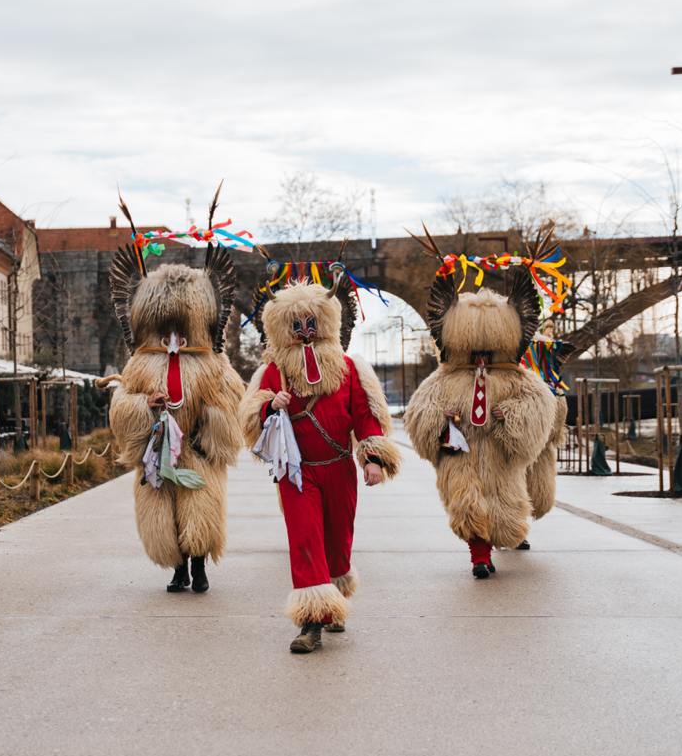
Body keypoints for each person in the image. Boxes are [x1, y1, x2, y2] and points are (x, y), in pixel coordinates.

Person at [240, 261, 400, 654]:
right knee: (305, 539)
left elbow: (366, 415)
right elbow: (250, 421)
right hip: (297, 473)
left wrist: (373, 458)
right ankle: (311, 622)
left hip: (339, 468)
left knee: (337, 542)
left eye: (311, 323)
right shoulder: (273, 373)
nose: (305, 332)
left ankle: (336, 596)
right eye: (297, 325)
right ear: (283, 327)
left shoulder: (348, 369)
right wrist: (268, 407)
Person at [106, 195, 245, 593]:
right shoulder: (140, 362)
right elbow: (122, 401)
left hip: (197, 450)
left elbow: (230, 400)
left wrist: (209, 423)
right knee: (162, 512)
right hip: (156, 451)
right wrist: (141, 406)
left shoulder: (211, 362)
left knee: (199, 507)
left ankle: (199, 565)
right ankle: (177, 568)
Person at [404, 232, 563, 580]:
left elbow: (539, 405)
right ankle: (479, 556)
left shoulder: (517, 378)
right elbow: (419, 412)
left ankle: (493, 544)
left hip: (499, 453)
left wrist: (511, 418)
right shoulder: (446, 377)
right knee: (467, 504)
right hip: (460, 452)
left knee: (503, 504)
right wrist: (441, 421)